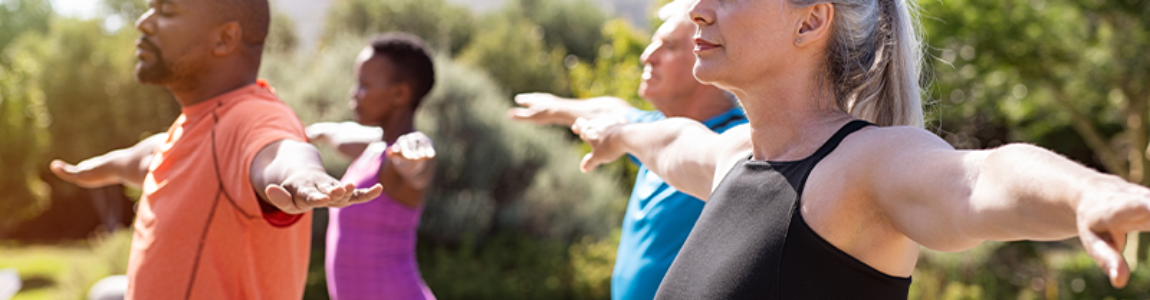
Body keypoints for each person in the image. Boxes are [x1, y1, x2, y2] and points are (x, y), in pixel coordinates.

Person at [572, 0, 1150, 298]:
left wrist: (1089, 192)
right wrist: (612, 126)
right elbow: (667, 139)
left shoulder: (860, 167)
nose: (698, 8)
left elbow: (978, 179)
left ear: (810, 23)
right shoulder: (736, 158)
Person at [47, 0, 382, 298]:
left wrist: (305, 175)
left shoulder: (253, 116)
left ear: (224, 38)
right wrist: (95, 169)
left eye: (167, 11)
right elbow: (149, 157)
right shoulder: (196, 125)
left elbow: (280, 151)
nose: (144, 22)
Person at [509, 2, 745, 299]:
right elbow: (611, 110)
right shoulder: (650, 130)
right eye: (652, 44)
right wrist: (558, 108)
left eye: (669, 46)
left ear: (708, 56)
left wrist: (620, 134)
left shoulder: (736, 145)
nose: (647, 56)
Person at [307, 33, 438, 300]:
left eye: (364, 85)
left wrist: (415, 154)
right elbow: (340, 134)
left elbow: (417, 164)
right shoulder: (375, 146)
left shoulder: (401, 156)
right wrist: (309, 132)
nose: (354, 94)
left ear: (400, 94)